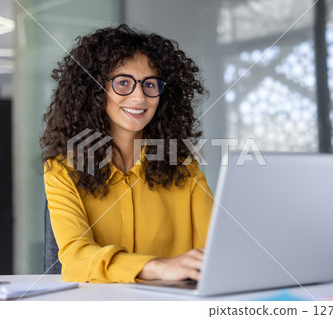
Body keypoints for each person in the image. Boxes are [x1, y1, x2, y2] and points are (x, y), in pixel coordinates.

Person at [40, 24, 213, 283]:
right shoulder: (63, 170)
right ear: (95, 90)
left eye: (150, 84)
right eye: (123, 83)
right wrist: (158, 267)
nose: (139, 97)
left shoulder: (185, 169)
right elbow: (76, 256)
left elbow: (215, 251)